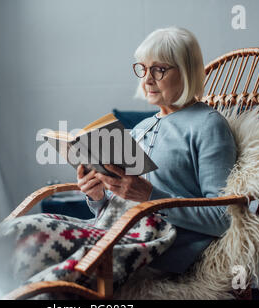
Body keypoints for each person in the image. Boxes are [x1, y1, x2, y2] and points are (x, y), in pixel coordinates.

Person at [79, 26, 237, 275]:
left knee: (39, 246)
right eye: (143, 69)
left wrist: (151, 195)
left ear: (186, 73)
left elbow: (224, 218)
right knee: (18, 232)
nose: (147, 79)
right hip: (111, 232)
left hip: (154, 246)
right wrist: (97, 196)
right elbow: (121, 202)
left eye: (159, 69)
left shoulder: (208, 124)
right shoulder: (141, 127)